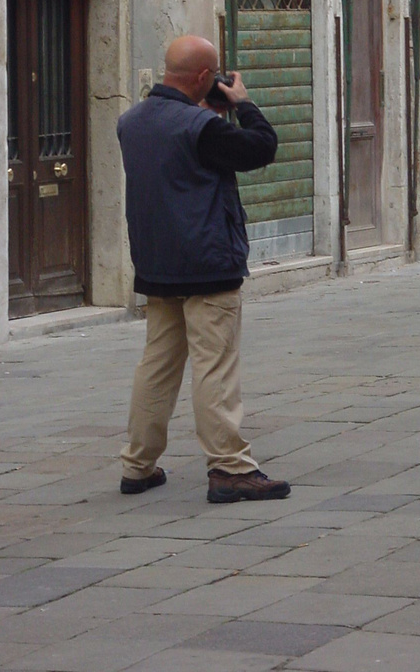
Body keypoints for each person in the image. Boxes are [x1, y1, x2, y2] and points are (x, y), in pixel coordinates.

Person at [116, 34, 290, 503]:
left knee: (157, 365)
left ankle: (138, 465)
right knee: (214, 367)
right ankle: (230, 467)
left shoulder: (130, 122)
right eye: (215, 75)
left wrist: (209, 111)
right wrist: (244, 103)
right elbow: (261, 148)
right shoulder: (202, 128)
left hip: (157, 263)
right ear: (202, 77)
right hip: (208, 263)